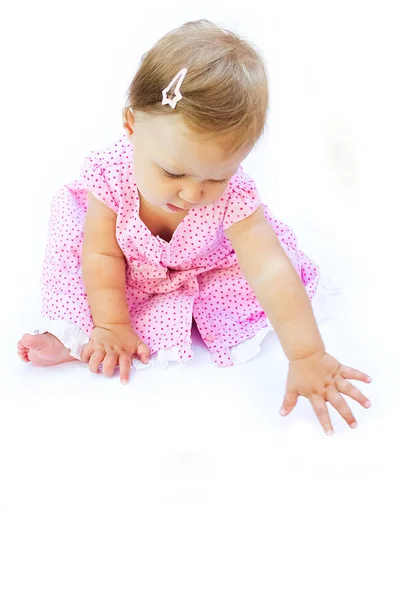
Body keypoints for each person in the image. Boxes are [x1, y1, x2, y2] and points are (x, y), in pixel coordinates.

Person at [17, 19, 372, 435]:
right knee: (74, 259)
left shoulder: (236, 197)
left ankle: (132, 330)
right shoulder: (109, 172)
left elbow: (270, 271)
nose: (190, 194)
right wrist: (112, 322)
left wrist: (307, 355)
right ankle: (82, 334)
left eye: (215, 178)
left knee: (250, 282)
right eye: (172, 173)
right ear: (131, 126)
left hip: (204, 263)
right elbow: (102, 253)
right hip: (121, 259)